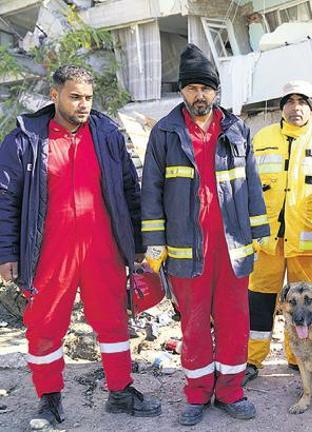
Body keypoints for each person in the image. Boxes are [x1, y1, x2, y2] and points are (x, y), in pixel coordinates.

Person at [0, 65, 161, 426]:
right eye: (75, 97)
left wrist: (136, 242)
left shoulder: (107, 134)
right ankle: (49, 398)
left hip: (102, 248)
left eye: (88, 97)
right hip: (49, 253)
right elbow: (5, 198)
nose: (83, 105)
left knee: (114, 320)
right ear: (54, 95)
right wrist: (6, 253)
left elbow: (128, 189)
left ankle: (120, 391)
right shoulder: (25, 140)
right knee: (44, 325)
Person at [140, 44, 269, 426]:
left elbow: (251, 183)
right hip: (185, 248)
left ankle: (230, 390)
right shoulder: (164, 132)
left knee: (234, 322)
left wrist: (258, 229)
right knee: (193, 325)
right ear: (182, 91)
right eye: (193, 88)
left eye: (206, 88)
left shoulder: (236, 129)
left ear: (216, 92)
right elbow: (150, 190)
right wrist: (154, 241)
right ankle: (197, 393)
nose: (200, 95)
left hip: (232, 246)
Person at [244, 80, 312, 383]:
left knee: (304, 303)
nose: (296, 107)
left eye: (302, 101)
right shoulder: (262, 138)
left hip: (306, 242)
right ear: (281, 107)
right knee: (260, 301)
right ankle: (253, 359)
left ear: (311, 108)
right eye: (290, 101)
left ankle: (295, 356)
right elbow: (246, 185)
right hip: (267, 240)